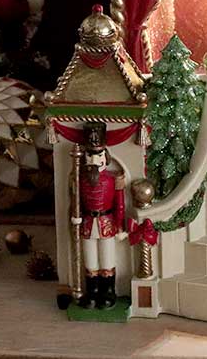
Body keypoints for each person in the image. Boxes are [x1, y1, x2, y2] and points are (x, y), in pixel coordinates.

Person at [72, 123, 126, 309]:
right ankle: (92, 292)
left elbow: (120, 205)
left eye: (99, 156)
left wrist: (120, 226)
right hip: (87, 223)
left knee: (107, 259)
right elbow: (76, 200)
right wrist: (76, 216)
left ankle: (108, 292)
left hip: (106, 223)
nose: (95, 161)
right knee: (90, 260)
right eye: (90, 156)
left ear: (106, 157)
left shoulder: (113, 179)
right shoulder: (79, 179)